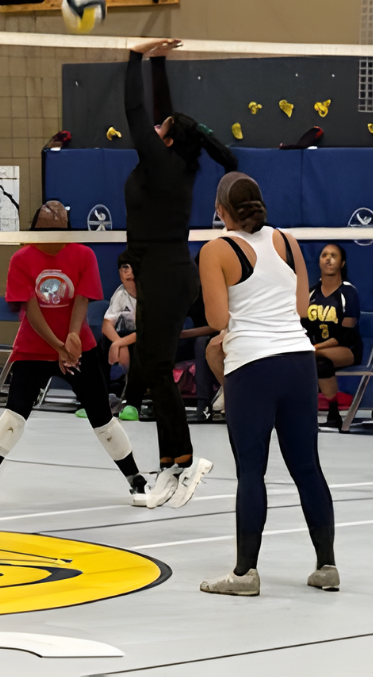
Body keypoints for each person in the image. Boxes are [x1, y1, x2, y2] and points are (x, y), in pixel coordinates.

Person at [198, 172, 337, 596]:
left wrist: (228, 331)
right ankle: (327, 566)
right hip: (299, 362)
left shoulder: (216, 249)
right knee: (307, 466)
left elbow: (219, 321)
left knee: (251, 471)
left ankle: (244, 574)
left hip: (252, 366)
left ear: (221, 210)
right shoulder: (288, 241)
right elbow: (299, 307)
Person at [0, 201, 149, 511]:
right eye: (49, 229)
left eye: (61, 228)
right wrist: (59, 347)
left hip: (79, 349)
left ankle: (136, 480)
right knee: (15, 416)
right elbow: (31, 309)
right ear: (36, 231)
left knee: (102, 417)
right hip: (34, 348)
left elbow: (81, 298)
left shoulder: (83, 254)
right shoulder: (21, 259)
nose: (56, 234)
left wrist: (73, 338)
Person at [124, 39, 237, 508]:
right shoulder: (177, 160)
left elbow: (134, 109)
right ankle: (172, 463)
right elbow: (165, 114)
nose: (154, 125)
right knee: (152, 370)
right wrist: (157, 62)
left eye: (161, 126)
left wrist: (133, 57)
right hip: (161, 273)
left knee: (155, 368)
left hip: (168, 276)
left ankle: (184, 462)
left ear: (166, 138)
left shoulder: (161, 161)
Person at [303, 243, 363, 429]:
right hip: (316, 351)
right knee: (314, 363)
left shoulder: (348, 293)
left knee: (314, 359)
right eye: (324, 255)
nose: (328, 259)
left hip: (347, 348)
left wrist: (317, 348)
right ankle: (327, 414)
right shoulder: (311, 293)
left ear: (342, 263)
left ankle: (333, 414)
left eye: (334, 255)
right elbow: (302, 326)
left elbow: (346, 333)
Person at [101, 251, 140, 420]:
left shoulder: (151, 293)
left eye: (132, 268)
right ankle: (100, 400)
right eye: (124, 268)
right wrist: (118, 343)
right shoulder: (120, 294)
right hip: (126, 337)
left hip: (149, 339)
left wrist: (119, 344)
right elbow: (106, 325)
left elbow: (147, 330)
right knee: (101, 344)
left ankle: (132, 404)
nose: (128, 273)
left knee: (140, 348)